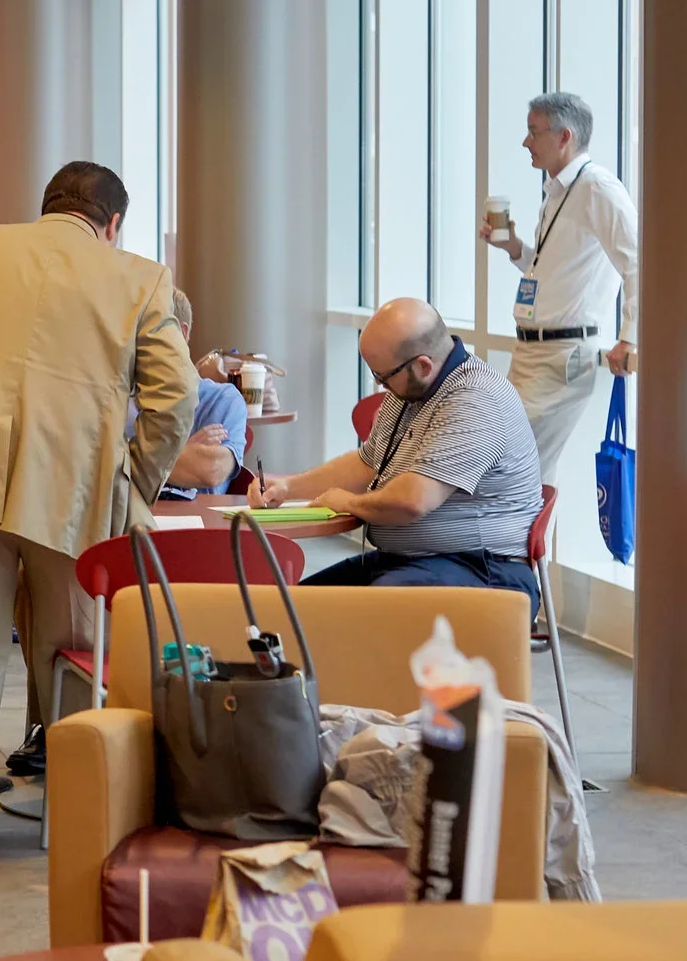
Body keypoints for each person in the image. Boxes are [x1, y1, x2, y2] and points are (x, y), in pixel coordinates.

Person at [0, 161, 192, 866]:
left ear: (47, 205)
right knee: (70, 652)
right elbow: (176, 398)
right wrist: (132, 477)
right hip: (74, 491)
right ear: (112, 223)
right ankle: (84, 814)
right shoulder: (139, 277)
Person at [253, 298, 543, 604]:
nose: (380, 385)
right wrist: (287, 486)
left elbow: (412, 501)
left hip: (482, 570)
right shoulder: (411, 389)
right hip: (410, 563)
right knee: (288, 610)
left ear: (422, 365)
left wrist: (348, 502)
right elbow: (366, 464)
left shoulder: (476, 400)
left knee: (368, 614)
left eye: (383, 376)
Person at [481, 91, 639, 480]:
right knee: (525, 471)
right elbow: (554, 272)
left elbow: (639, 263)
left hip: (560, 355)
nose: (525, 143)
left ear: (564, 137)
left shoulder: (598, 189)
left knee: (514, 470)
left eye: (533, 132)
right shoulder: (558, 192)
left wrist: (628, 338)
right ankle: (523, 542)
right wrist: (515, 249)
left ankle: (515, 543)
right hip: (531, 351)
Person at [164, 289, 249, 497]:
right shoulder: (119, 400)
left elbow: (211, 467)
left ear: (181, 334)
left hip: (198, 527)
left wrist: (129, 462)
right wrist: (185, 453)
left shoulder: (223, 399)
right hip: (129, 527)